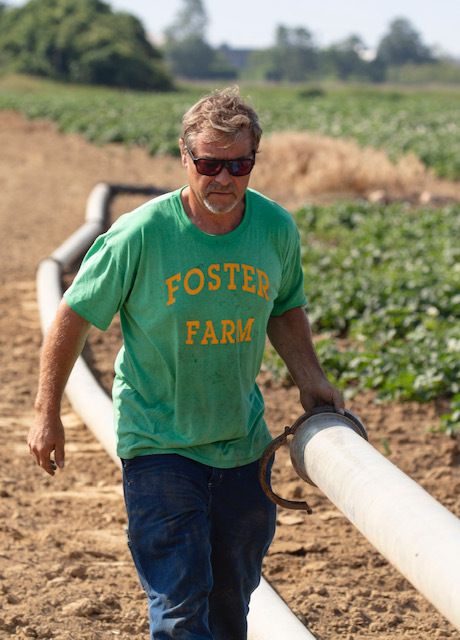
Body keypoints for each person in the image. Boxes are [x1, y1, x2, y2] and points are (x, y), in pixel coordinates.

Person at [28, 87, 344, 640]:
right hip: (158, 442)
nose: (223, 178)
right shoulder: (141, 233)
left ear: (253, 161)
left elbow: (286, 307)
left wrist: (311, 380)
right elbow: (72, 315)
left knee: (230, 601)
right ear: (185, 157)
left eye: (238, 164)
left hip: (241, 443)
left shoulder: (274, 229)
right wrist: (45, 412)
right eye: (209, 163)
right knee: (178, 606)